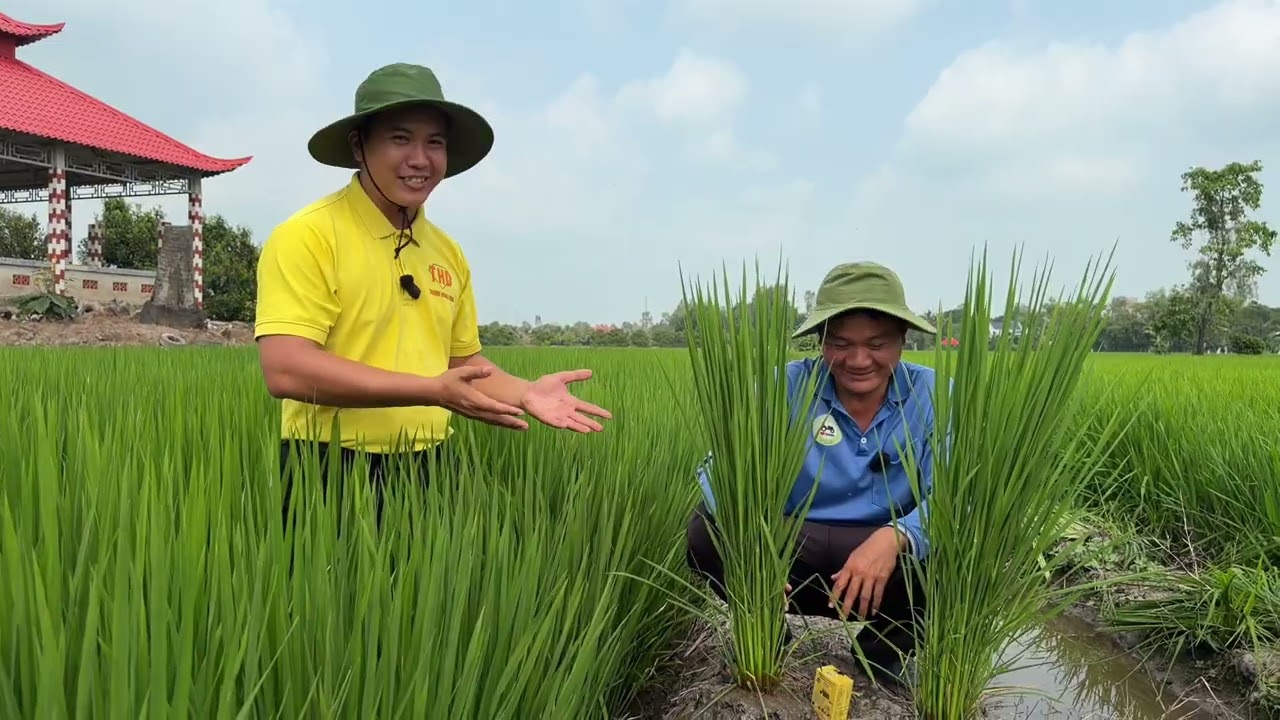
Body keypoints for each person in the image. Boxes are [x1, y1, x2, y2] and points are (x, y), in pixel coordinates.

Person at [253, 63, 611, 522]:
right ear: (359, 145)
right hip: (326, 465)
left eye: (435, 142)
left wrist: (525, 392)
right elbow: (286, 369)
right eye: (400, 139)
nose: (420, 159)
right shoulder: (309, 235)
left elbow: (461, 364)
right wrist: (430, 391)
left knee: (443, 571)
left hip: (431, 465)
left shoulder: (447, 252)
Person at [685, 261, 938, 691]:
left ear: (902, 339)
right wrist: (753, 543)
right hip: (788, 551)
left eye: (877, 343)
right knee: (705, 531)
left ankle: (883, 653)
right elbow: (717, 472)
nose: (859, 360)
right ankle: (766, 636)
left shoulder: (932, 395)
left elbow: (961, 496)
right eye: (840, 343)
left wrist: (896, 536)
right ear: (821, 341)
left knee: (968, 543)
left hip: (887, 565)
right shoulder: (783, 387)